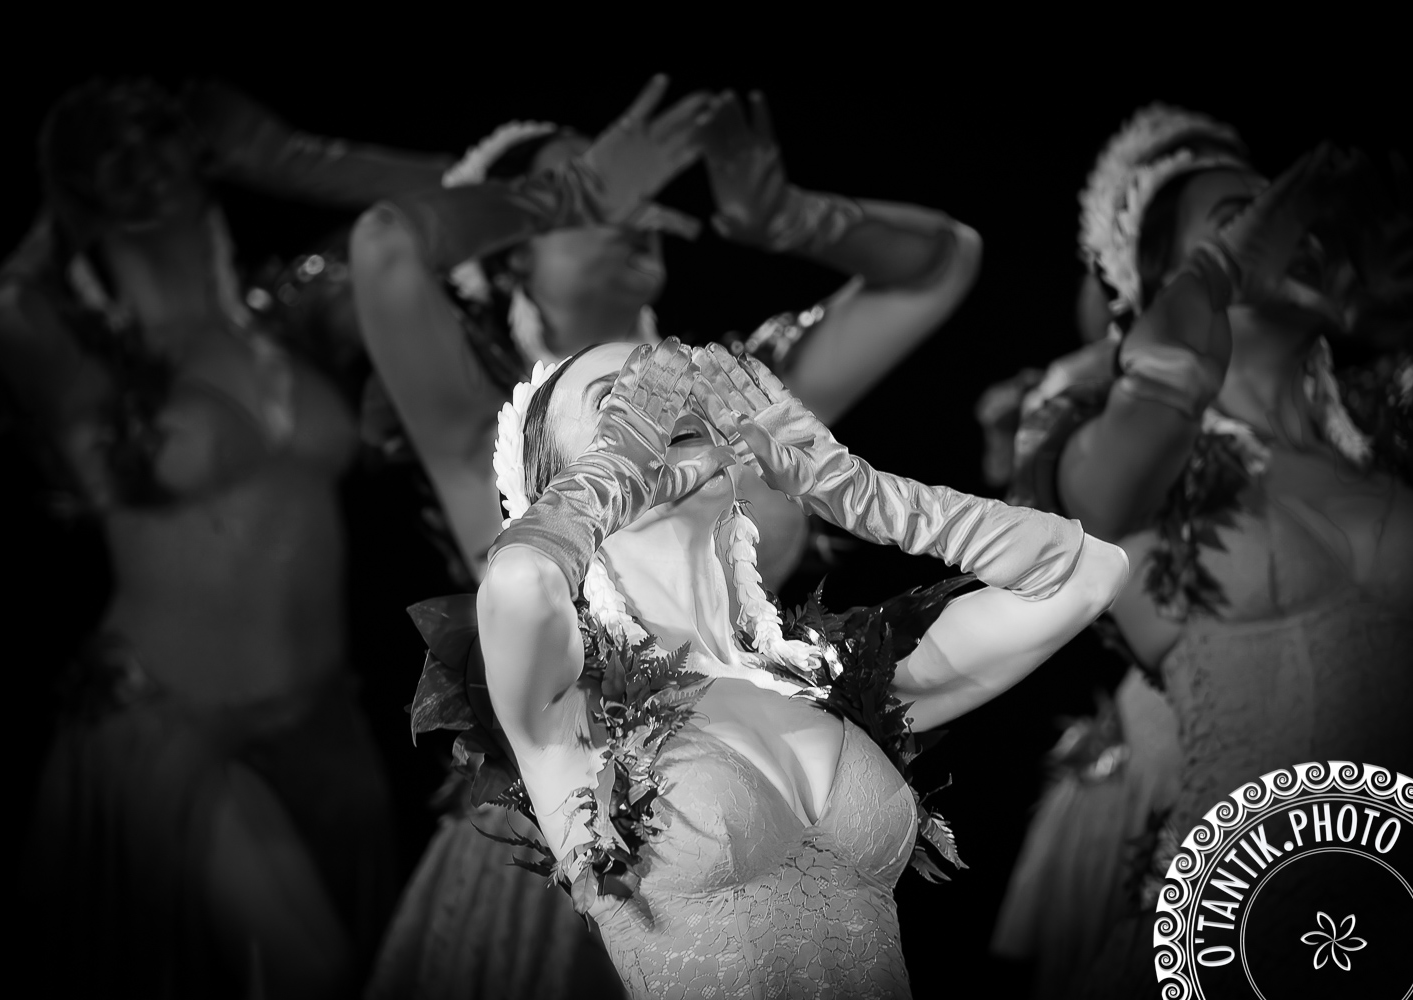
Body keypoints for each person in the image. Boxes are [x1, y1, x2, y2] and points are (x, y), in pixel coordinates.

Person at [357, 76, 984, 999]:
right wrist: (569, 191)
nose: (632, 208)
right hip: (582, 841)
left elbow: (942, 261)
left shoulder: (734, 394)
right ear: (511, 259)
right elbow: (385, 246)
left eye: (637, 187)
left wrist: (789, 215)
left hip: (781, 806)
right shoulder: (484, 424)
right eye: (595, 194)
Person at [412, 337, 1126, 998]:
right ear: (554, 483)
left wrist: (858, 490)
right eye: (619, 401)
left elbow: (1089, 574)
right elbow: (520, 581)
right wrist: (618, 470)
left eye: (676, 388)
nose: (663, 407)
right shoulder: (569, 709)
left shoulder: (832, 683)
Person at [0, 79, 452, 999]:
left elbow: (455, 207)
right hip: (168, 721)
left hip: (322, 720)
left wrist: (290, 157)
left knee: (362, 969)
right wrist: (61, 198)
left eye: (159, 149)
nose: (145, 177)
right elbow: (6, 309)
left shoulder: (293, 314)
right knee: (315, 967)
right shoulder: (70, 348)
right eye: (116, 165)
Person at [1000, 105, 1413, 997]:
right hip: (1225, 946)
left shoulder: (1387, 440)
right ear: (1163, 285)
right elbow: (1149, 412)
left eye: (1291, 211)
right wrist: (1223, 271)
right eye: (1241, 220)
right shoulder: (1103, 448)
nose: (1287, 230)